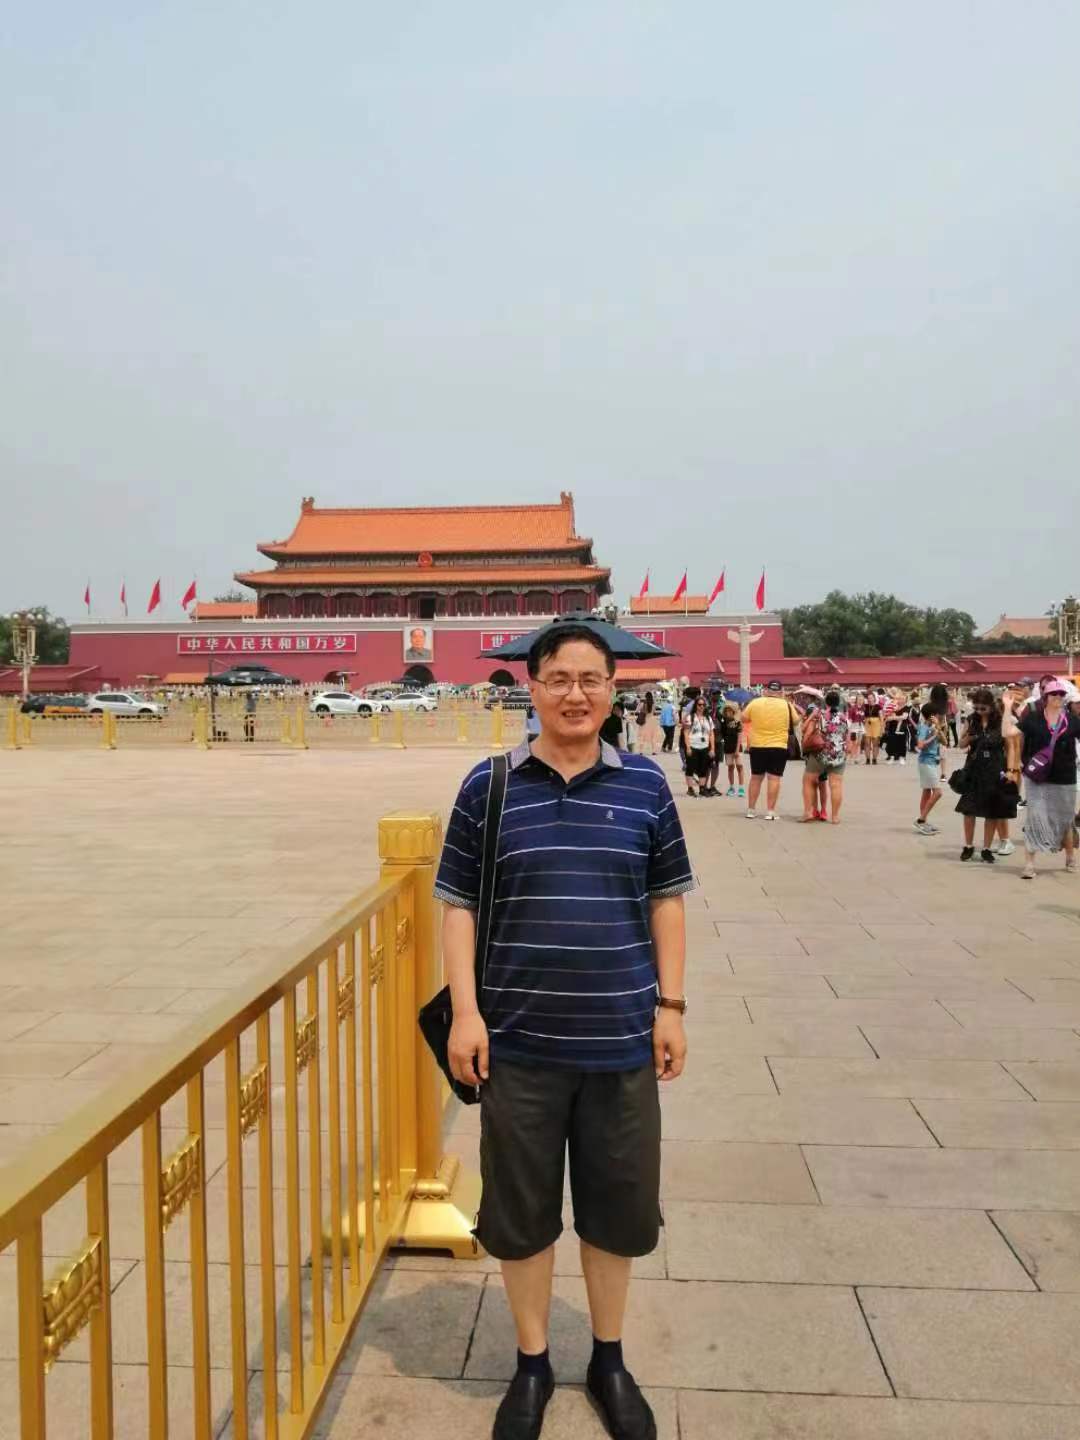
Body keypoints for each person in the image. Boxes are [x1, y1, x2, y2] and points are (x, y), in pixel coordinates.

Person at [435, 622, 692, 1440]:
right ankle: (532, 1360)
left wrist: (672, 1007)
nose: (575, 694)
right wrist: (466, 1014)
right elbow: (457, 907)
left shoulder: (646, 785)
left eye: (590, 679)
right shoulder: (489, 786)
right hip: (518, 1046)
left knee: (619, 1210)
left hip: (620, 1042)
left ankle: (609, 1358)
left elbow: (666, 900)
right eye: (558, 679)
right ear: (533, 687)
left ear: (613, 691)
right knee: (520, 1214)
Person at [1018, 676, 1080, 879]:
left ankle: (1070, 856)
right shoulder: (1033, 718)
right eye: (1054, 693)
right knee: (1034, 817)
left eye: (1061, 694)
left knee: (1065, 820)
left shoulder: (1072, 720)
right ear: (1045, 696)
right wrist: (1007, 709)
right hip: (1037, 777)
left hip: (1065, 775)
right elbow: (1011, 733)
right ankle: (1029, 864)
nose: (1058, 697)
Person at [954, 689, 1016, 862]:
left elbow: (1010, 747)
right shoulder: (971, 720)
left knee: (992, 812)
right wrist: (969, 738)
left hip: (995, 769)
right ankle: (968, 846)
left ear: (991, 706)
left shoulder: (1001, 721)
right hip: (974, 769)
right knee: (968, 810)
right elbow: (961, 744)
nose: (979, 711)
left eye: (983, 708)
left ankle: (986, 848)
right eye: (976, 708)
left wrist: (1011, 770)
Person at [741, 680, 801, 821]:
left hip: (757, 746)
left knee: (756, 778)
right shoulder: (786, 704)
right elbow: (796, 721)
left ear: (766, 690)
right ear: (780, 692)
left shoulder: (755, 703)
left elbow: (744, 718)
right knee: (774, 778)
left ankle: (751, 810)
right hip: (778, 746)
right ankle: (770, 811)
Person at [800, 692, 847, 822]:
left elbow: (804, 730)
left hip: (820, 754)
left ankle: (808, 812)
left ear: (826, 702)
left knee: (808, 781)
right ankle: (835, 816)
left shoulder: (820, 715)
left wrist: (811, 717)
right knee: (836, 785)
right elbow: (847, 737)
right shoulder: (844, 717)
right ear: (839, 703)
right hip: (838, 754)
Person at [914, 702, 945, 834]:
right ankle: (921, 820)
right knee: (938, 792)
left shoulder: (933, 727)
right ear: (932, 715)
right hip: (925, 762)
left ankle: (924, 821)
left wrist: (938, 729)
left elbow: (945, 742)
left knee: (926, 792)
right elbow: (920, 745)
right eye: (937, 714)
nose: (939, 716)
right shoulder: (923, 728)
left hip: (931, 762)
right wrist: (933, 736)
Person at [682, 694, 714, 798]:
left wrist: (712, 748)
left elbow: (711, 734)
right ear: (696, 705)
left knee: (703, 768)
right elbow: (686, 733)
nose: (701, 707)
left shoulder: (708, 718)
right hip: (693, 746)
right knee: (690, 768)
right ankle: (690, 788)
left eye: (703, 705)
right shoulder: (690, 717)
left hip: (704, 746)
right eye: (699, 705)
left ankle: (702, 788)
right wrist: (688, 747)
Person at [717, 702, 745, 797]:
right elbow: (722, 734)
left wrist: (737, 750)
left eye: (729, 710)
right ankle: (731, 787)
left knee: (739, 766)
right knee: (730, 767)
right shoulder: (724, 722)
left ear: (733, 711)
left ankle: (741, 788)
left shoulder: (737, 722)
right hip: (727, 747)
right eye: (726, 710)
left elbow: (740, 736)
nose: (728, 712)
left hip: (737, 747)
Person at [636, 691, 662, 756]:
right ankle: (654, 751)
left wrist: (640, 708)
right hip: (652, 721)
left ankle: (641, 751)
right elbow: (653, 712)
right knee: (653, 736)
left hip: (644, 721)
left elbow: (637, 711)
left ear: (646, 697)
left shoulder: (643, 704)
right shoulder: (653, 704)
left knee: (642, 736)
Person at [863, 690, 883, 763]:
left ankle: (874, 759)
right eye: (868, 698)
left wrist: (882, 728)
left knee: (875, 743)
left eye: (871, 698)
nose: (870, 699)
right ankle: (868, 759)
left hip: (876, 726)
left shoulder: (878, 706)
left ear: (874, 698)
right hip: (867, 726)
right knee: (867, 743)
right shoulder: (865, 706)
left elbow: (881, 717)